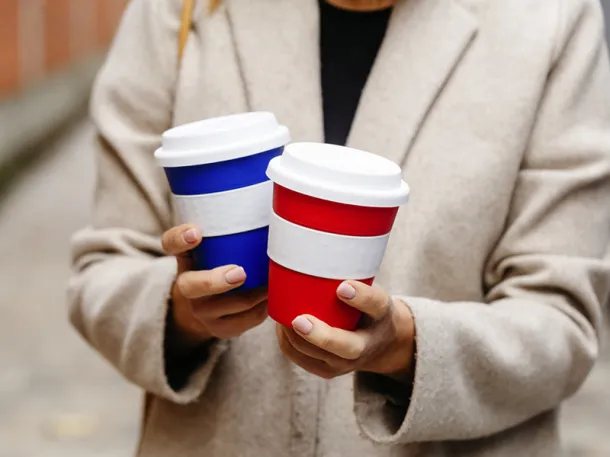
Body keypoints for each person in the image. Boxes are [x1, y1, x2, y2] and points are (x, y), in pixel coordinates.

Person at [68, 0, 610, 455]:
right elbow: (103, 269)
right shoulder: (179, 10)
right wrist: (178, 314)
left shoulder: (550, 19)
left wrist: (407, 346)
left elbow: (562, 318)